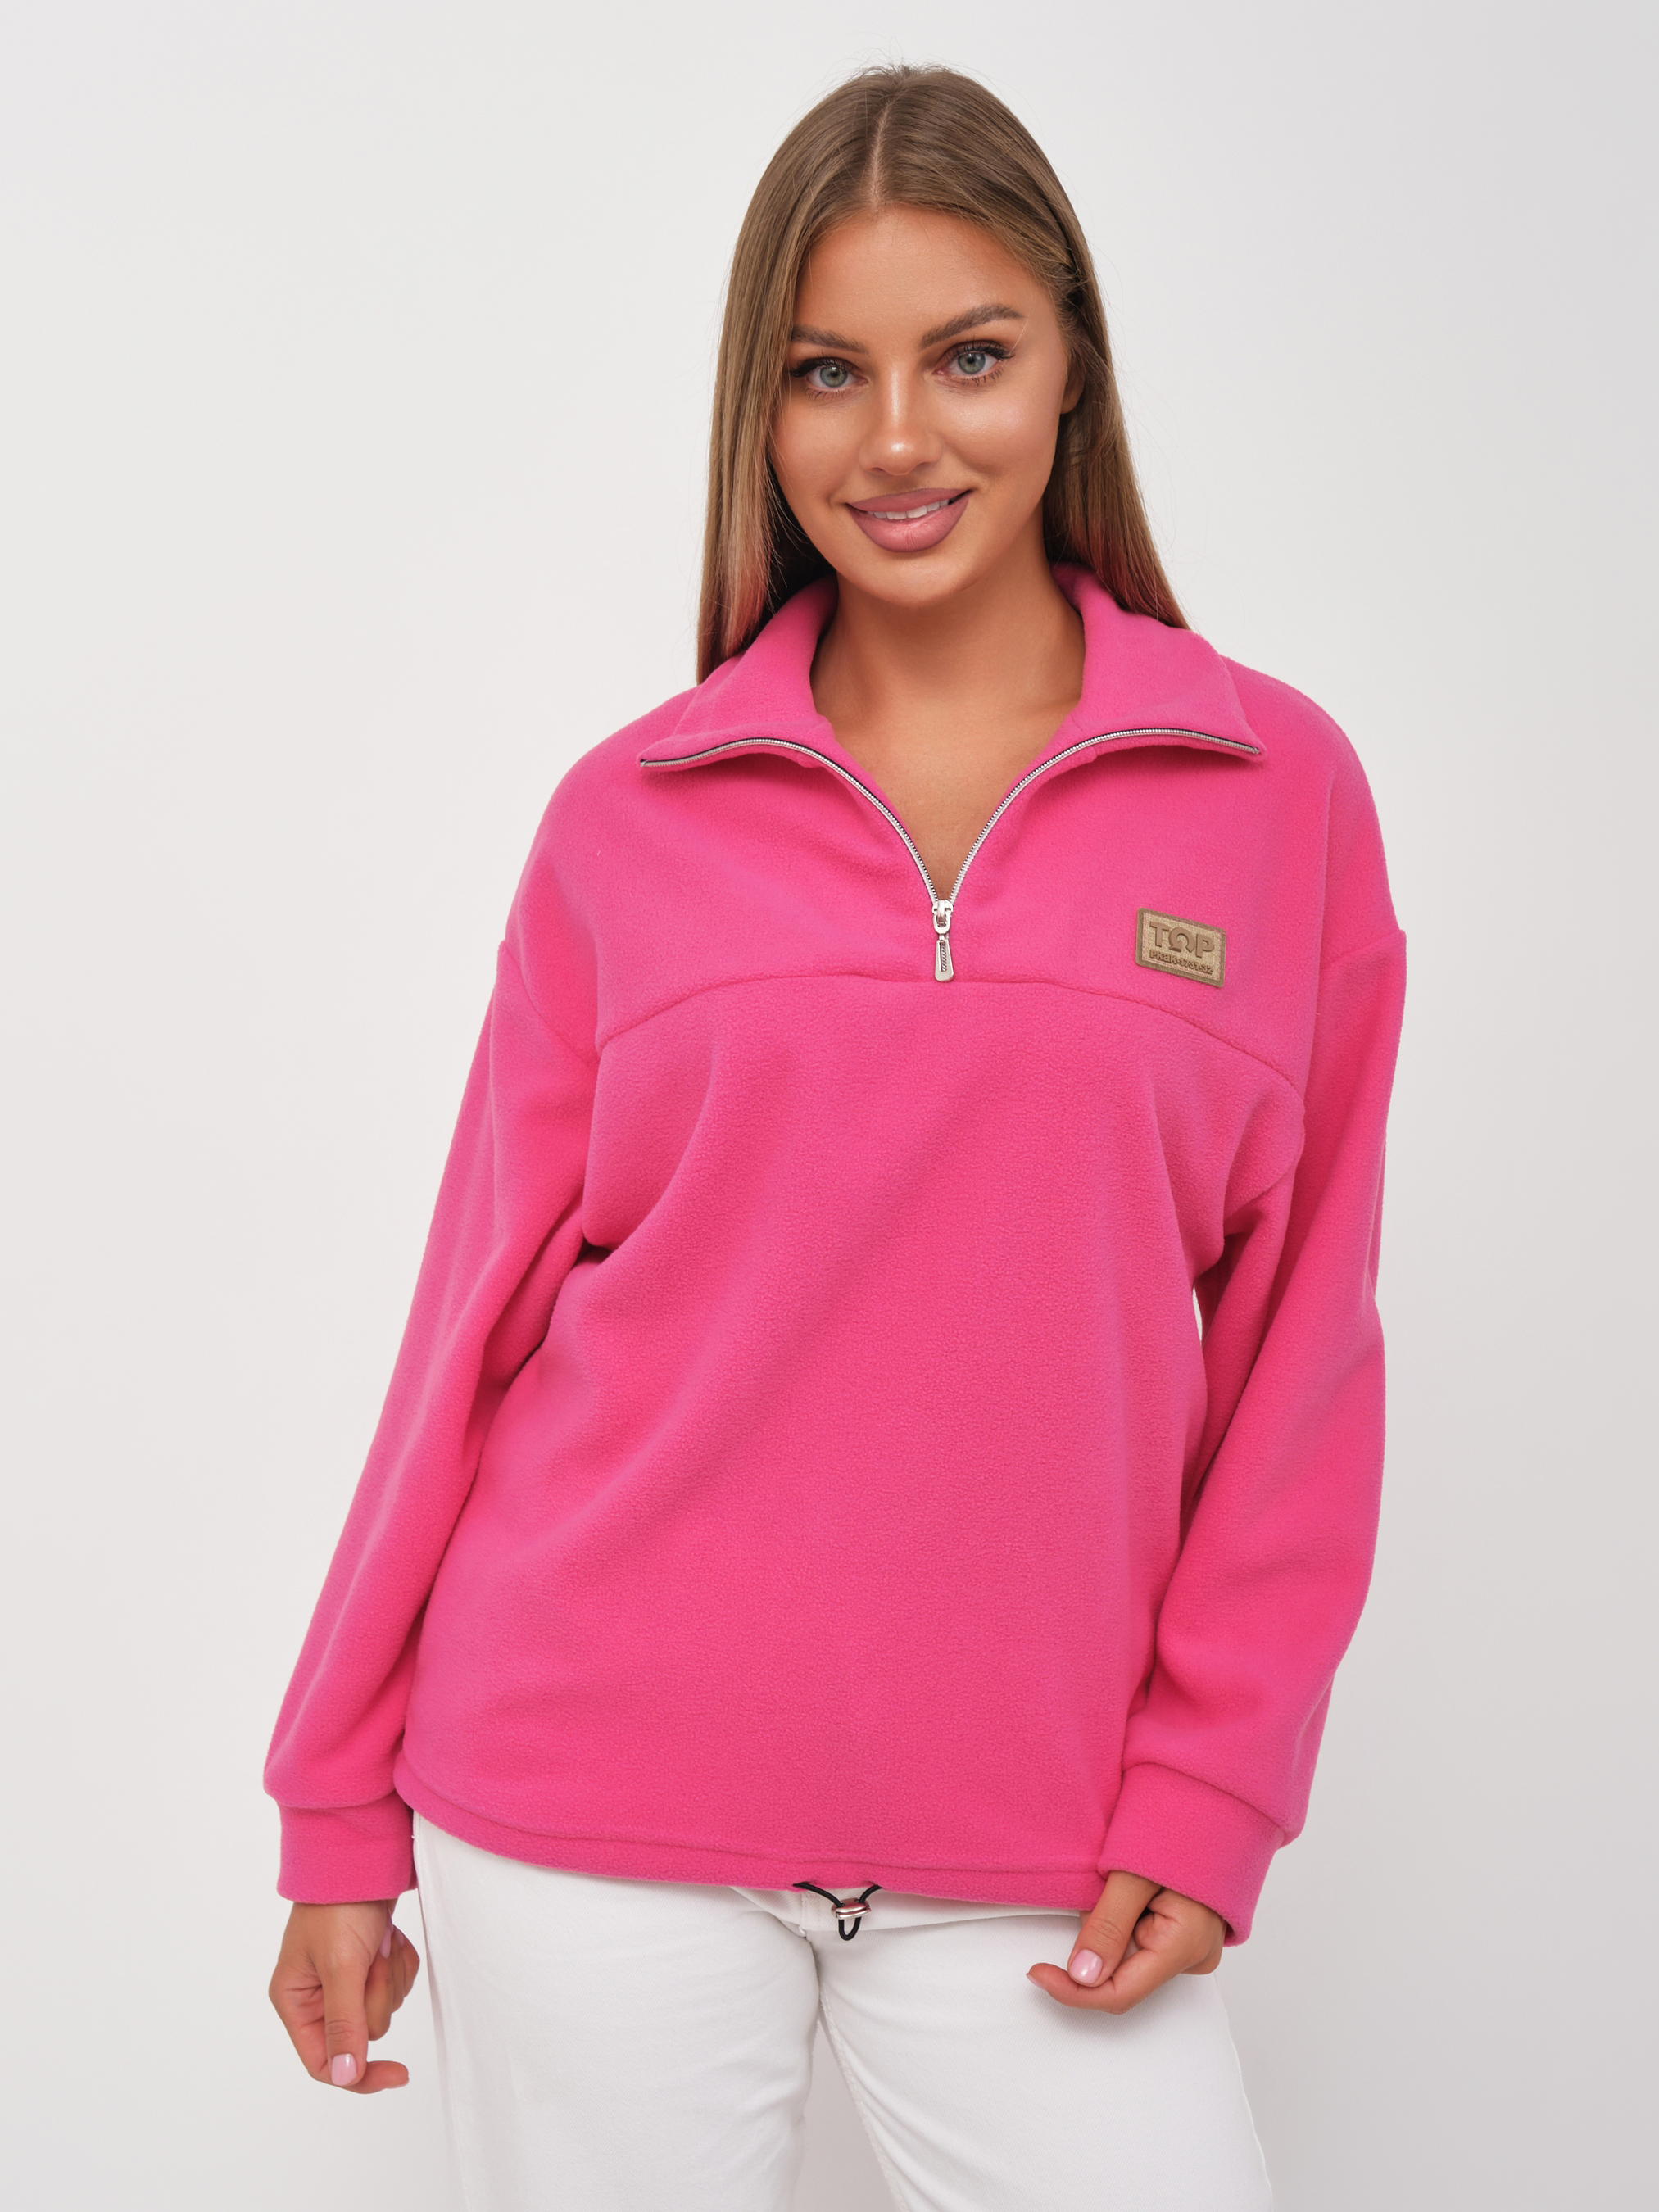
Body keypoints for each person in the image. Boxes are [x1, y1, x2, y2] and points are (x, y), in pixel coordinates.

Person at [265, 62, 1405, 2212]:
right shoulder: (629, 818)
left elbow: (1302, 1354)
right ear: (760, 410)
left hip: (1045, 1832)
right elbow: (469, 1326)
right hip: (590, 1799)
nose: (895, 438)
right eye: (824, 371)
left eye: (967, 356)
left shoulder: (1277, 798)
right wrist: (334, 1804)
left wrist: (1215, 1784)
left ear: (1069, 368)